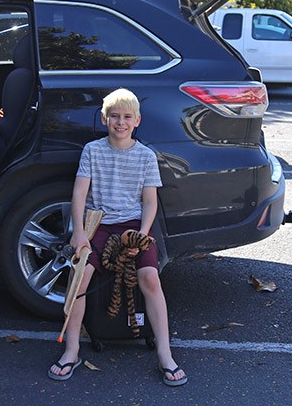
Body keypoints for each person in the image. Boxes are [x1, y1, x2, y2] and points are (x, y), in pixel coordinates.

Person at [48, 88, 187, 386]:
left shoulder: (146, 157)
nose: (120, 122)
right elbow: (79, 195)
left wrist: (142, 235)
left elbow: (150, 201)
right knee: (79, 277)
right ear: (104, 118)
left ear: (137, 120)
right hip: (98, 224)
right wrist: (79, 235)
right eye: (114, 116)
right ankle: (71, 349)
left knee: (150, 277)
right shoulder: (92, 151)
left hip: (134, 225)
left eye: (126, 117)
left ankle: (165, 352)